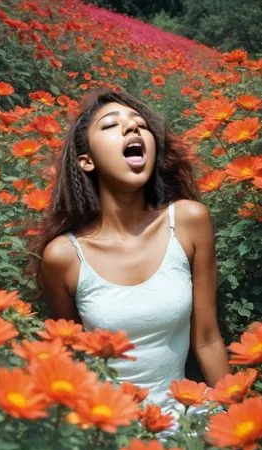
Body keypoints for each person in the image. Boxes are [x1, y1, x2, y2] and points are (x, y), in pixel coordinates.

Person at [35, 87, 230, 423]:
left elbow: (209, 339)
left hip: (183, 420)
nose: (131, 129)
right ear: (87, 160)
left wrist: (242, 423)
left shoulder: (188, 221)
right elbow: (68, 358)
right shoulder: (63, 257)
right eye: (110, 125)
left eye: (140, 124)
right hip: (105, 426)